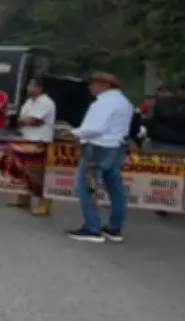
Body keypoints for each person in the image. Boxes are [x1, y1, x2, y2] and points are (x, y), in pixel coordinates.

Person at [62, 72, 133, 244]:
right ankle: (114, 228)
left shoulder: (104, 103)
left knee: (87, 187)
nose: (90, 87)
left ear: (105, 85)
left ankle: (92, 227)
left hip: (98, 147)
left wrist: (72, 132)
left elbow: (95, 128)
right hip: (116, 145)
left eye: (93, 84)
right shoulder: (125, 102)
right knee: (115, 187)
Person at [10, 78, 56, 215]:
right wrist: (24, 120)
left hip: (40, 142)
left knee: (39, 174)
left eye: (30, 85)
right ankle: (24, 198)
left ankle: (44, 203)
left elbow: (33, 120)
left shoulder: (46, 102)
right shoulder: (29, 101)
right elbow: (21, 119)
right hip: (26, 139)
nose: (27, 87)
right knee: (24, 171)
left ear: (38, 87)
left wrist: (25, 120)